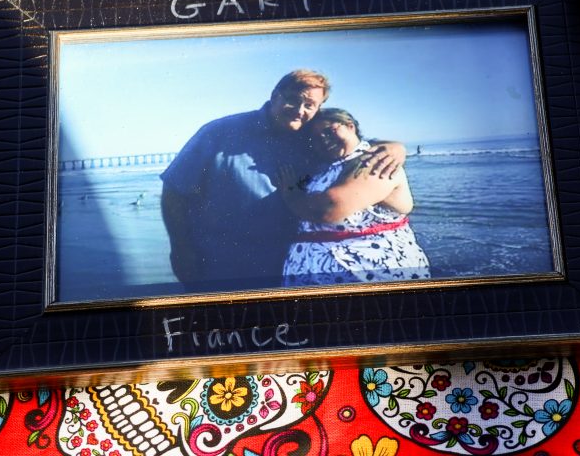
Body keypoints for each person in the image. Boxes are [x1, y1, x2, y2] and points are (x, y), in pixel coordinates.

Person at [160, 71, 405, 293]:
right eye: (292, 99)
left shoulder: (312, 139)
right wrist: (181, 249)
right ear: (275, 96)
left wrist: (395, 148)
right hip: (222, 267)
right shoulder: (220, 132)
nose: (299, 109)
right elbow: (174, 192)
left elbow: (351, 150)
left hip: (290, 270)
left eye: (309, 105)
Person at [278, 108, 431, 286]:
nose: (324, 140)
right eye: (317, 139)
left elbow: (329, 209)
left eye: (329, 131)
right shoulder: (331, 164)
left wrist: (290, 194)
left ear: (350, 126)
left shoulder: (375, 159)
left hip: (370, 275)